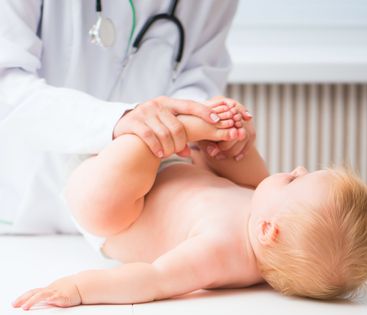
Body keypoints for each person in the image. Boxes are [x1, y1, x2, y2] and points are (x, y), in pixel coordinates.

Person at [12, 98, 367, 310]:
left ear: (268, 231)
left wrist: (78, 290)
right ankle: (211, 131)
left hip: (113, 214)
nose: (298, 167)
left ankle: (178, 130)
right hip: (165, 169)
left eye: (294, 179)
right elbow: (250, 180)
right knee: (233, 165)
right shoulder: (265, 216)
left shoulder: (219, 252)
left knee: (128, 173)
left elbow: (154, 280)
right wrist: (235, 145)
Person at [0, 0, 255, 236]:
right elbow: (6, 85)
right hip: (21, 211)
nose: (297, 171)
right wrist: (118, 120)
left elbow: (198, 80)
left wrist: (213, 122)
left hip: (129, 219)